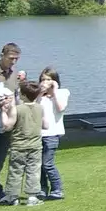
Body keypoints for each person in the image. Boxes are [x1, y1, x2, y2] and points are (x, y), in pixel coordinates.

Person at [0, 80, 44, 205]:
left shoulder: (17, 109)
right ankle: (32, 197)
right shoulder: (40, 108)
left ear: (23, 95)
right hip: (35, 146)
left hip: (18, 146)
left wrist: (4, 112)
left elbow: (7, 126)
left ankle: (12, 197)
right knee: (33, 171)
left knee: (15, 171)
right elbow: (45, 124)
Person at [37, 67, 68, 200]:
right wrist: (39, 92)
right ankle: (42, 189)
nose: (45, 82)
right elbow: (34, 107)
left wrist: (53, 91)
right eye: (43, 79)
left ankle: (57, 189)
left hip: (53, 134)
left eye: (49, 79)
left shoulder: (62, 92)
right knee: (38, 164)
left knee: (47, 163)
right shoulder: (39, 96)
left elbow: (60, 108)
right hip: (38, 134)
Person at [0, 41, 21, 202]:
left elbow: (17, 97)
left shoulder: (13, 75)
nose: (13, 62)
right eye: (11, 58)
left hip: (5, 125)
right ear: (2, 56)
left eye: (16, 59)